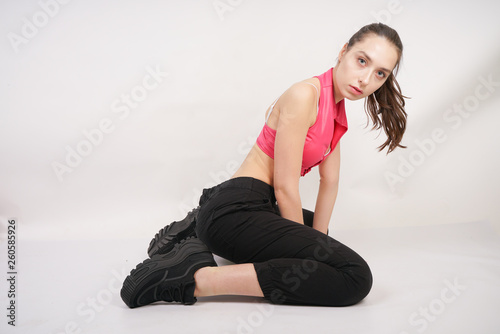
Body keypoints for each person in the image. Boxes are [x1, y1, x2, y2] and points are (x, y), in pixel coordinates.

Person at [120, 22, 407, 308]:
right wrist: (305, 254)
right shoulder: (305, 94)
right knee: (354, 277)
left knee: (321, 236)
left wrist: (315, 242)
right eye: (361, 61)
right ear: (344, 51)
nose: (365, 79)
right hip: (236, 207)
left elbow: (329, 183)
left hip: (256, 205)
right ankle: (192, 278)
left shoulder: (336, 113)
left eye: (379, 73)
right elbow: (284, 187)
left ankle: (199, 225)